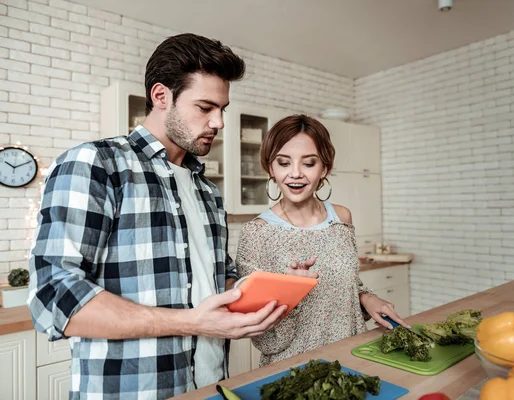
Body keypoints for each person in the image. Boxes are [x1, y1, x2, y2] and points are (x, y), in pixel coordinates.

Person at [27, 33, 313, 400]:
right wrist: (192, 322)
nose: (219, 122)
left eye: (222, 109)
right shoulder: (97, 164)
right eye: (206, 107)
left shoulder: (208, 192)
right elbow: (53, 297)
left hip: (212, 387)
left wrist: (271, 288)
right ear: (161, 96)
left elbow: (217, 281)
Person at [235, 114, 410, 366]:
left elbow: (348, 282)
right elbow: (260, 333)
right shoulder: (256, 233)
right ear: (271, 168)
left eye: (308, 163)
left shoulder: (341, 218)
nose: (295, 174)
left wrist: (366, 297)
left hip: (352, 357)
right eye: (284, 163)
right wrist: (288, 292)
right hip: (293, 371)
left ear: (324, 168)